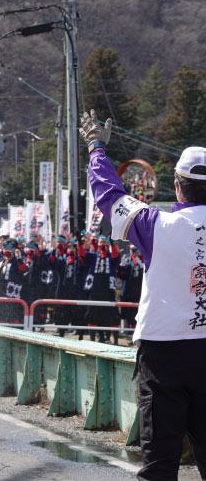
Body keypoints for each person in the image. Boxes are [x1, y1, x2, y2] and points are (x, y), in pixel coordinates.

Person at [81, 110, 206, 479]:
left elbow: (109, 196)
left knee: (160, 462)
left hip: (163, 352)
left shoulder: (157, 224)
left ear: (177, 185)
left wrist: (96, 148)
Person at [80, 235, 121, 344]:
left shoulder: (111, 257)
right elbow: (83, 254)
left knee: (110, 315)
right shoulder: (94, 256)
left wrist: (112, 244)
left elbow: (116, 257)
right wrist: (80, 244)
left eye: (104, 242)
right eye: (100, 242)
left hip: (108, 291)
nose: (102, 244)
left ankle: (112, 339)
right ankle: (94, 338)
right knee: (93, 315)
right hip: (94, 290)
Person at [117, 244, 143, 329]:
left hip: (141, 293)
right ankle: (132, 334)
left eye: (136, 250)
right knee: (130, 316)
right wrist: (121, 266)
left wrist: (142, 266)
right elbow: (121, 276)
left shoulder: (145, 261)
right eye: (133, 250)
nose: (135, 252)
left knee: (141, 315)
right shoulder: (128, 261)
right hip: (129, 293)